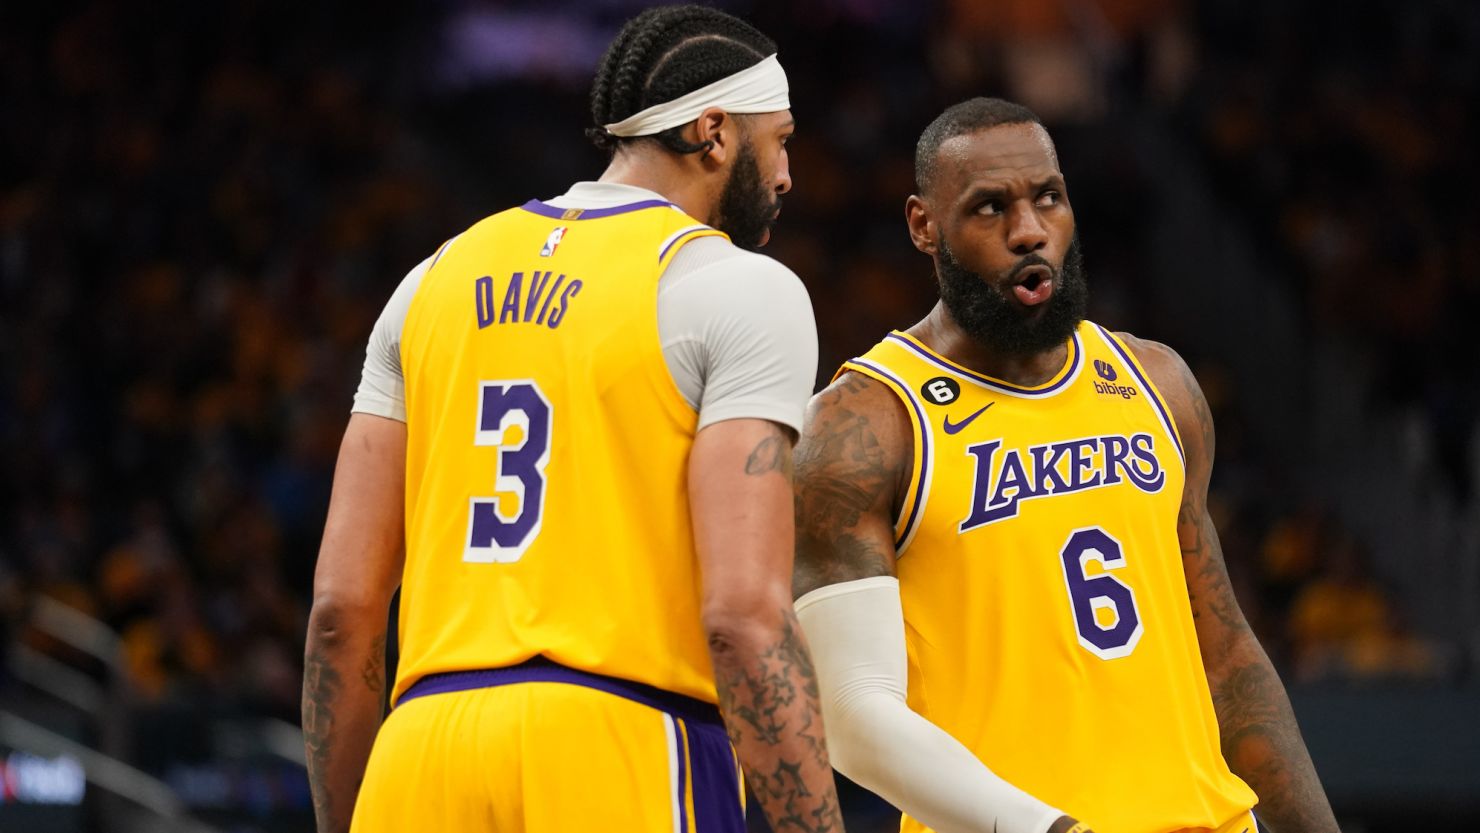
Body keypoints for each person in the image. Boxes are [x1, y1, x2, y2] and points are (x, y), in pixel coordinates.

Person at [302, 6, 845, 832]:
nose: (786, 174)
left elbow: (341, 610)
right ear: (713, 133)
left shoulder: (430, 279)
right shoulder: (737, 287)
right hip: (623, 740)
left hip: (420, 754)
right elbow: (744, 616)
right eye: (780, 141)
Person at [791, 97, 1339, 833]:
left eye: (1047, 197)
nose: (1029, 230)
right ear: (924, 225)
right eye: (990, 207)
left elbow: (1227, 656)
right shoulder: (865, 424)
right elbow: (852, 715)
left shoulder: (1157, 382)